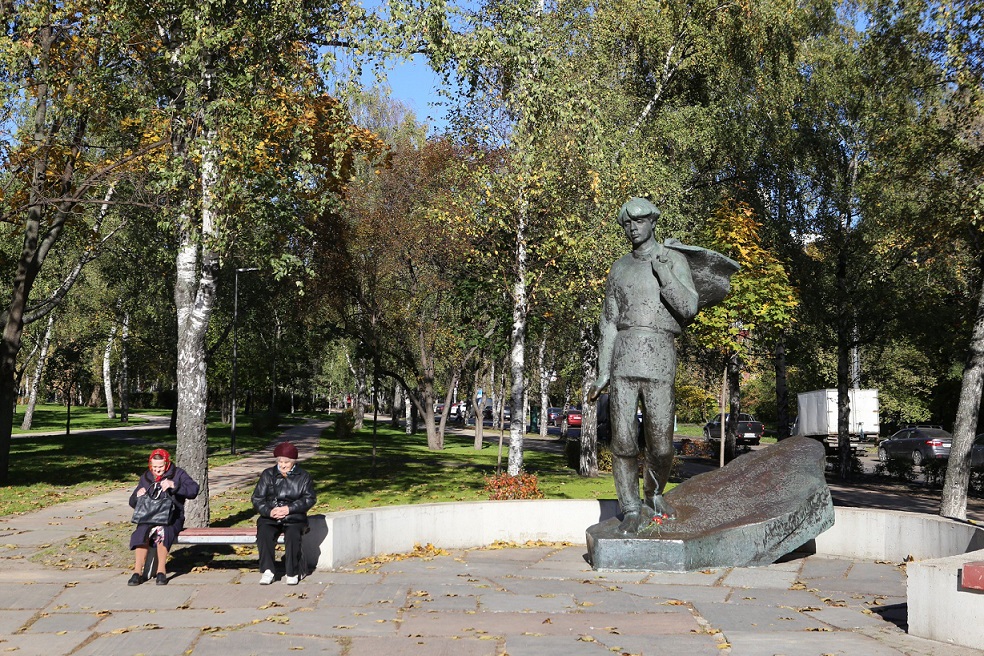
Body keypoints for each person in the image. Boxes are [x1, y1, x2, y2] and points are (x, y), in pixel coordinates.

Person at [589, 197, 736, 535]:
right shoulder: (619, 268)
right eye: (627, 223)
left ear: (653, 222)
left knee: (661, 444)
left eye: (639, 221)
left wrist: (664, 272)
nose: (633, 228)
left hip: (659, 355)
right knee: (623, 441)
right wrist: (602, 372)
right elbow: (609, 322)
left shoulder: (672, 260)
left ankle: (654, 494)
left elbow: (688, 308)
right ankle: (629, 508)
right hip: (624, 356)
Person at [128, 448, 200, 585]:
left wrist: (175, 486)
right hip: (149, 516)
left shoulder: (178, 473)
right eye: (154, 467)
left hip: (173, 516)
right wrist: (137, 496)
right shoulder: (146, 477)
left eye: (160, 466)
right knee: (141, 531)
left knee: (163, 531)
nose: (157, 470)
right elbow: (132, 502)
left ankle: (161, 570)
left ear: (167, 463)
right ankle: (137, 571)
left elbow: (194, 490)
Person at [251, 441, 316, 585]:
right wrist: (269, 511)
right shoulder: (268, 474)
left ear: (293, 462)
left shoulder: (303, 476)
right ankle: (268, 570)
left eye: (286, 462)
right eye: (280, 461)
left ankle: (292, 571)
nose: (282, 465)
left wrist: (289, 509)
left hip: (294, 517)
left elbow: (309, 498)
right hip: (271, 516)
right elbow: (257, 498)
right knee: (264, 534)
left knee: (293, 535)